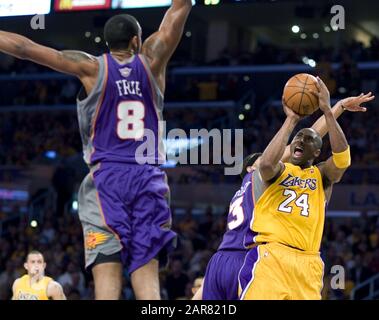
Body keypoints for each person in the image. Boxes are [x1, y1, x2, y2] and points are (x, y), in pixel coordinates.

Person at [0, 0, 193, 300]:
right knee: (149, 291)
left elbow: (25, 48)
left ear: (107, 42)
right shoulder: (152, 61)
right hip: (148, 180)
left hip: (106, 183)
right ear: (136, 41)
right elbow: (178, 12)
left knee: (106, 289)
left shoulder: (91, 67)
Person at [192, 92, 374, 300]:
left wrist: (335, 108)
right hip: (252, 254)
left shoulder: (242, 189)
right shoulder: (261, 175)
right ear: (252, 166)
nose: (280, 156)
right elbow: (311, 136)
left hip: (222, 256)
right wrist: (332, 109)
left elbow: (309, 141)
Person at [238, 77, 362, 300]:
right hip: (271, 255)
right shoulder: (276, 171)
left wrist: (328, 110)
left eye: (308, 140)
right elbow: (266, 164)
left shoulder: (322, 175)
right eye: (298, 137)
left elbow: (342, 159)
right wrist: (292, 119)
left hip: (309, 263)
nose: (301, 141)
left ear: (317, 152)